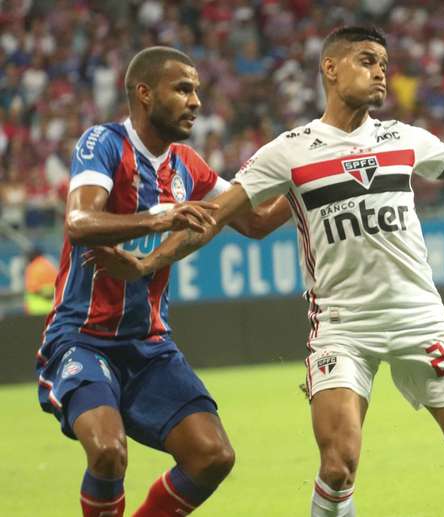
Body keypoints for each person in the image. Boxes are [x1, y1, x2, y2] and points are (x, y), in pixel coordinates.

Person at [89, 28, 444, 516]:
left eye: (384, 64)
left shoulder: (404, 138)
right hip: (341, 327)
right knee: (337, 466)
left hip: (420, 318)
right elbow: (213, 216)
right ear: (330, 68)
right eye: (367, 61)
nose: (380, 72)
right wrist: (148, 263)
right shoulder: (288, 152)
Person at [36, 46, 290, 517]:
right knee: (108, 451)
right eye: (183, 89)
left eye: (197, 90)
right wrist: (159, 217)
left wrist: (303, 180)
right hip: (82, 338)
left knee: (212, 456)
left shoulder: (188, 165)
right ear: (145, 93)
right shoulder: (103, 143)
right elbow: (79, 222)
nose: (196, 101)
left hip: (149, 345)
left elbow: (254, 222)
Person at [24, 247, 58, 315]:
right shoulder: (50, 265)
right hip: (52, 307)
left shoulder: (33, 268)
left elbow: (33, 289)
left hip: (37, 310)